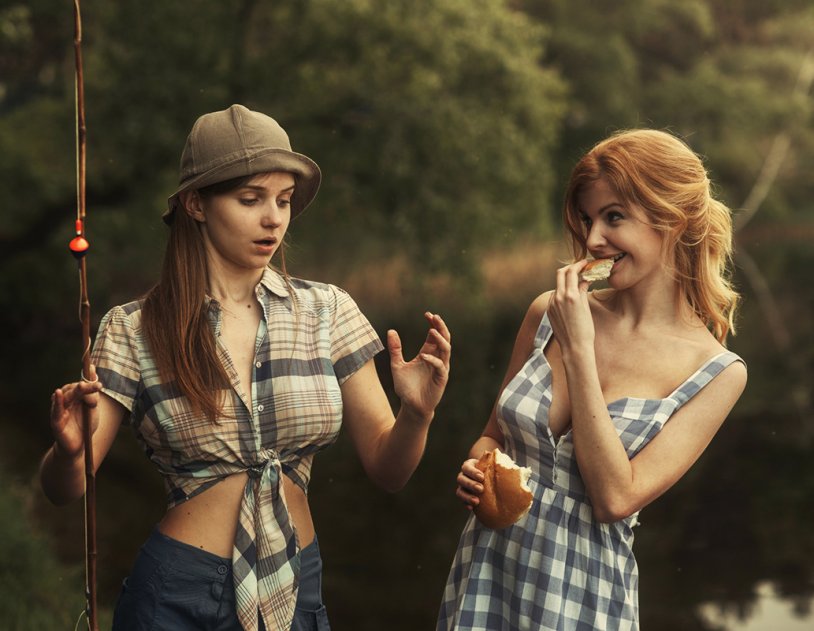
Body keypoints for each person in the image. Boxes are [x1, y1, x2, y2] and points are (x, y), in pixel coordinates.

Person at [40, 104, 451, 631]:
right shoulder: (133, 327)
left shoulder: (328, 310)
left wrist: (416, 414)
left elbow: (390, 473)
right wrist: (67, 451)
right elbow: (64, 489)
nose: (273, 218)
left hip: (297, 587)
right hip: (178, 594)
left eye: (283, 200)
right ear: (196, 204)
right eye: (250, 198)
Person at [437, 129, 747, 630]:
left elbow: (614, 499)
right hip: (486, 577)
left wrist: (580, 350)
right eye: (587, 218)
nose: (593, 239)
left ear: (673, 218)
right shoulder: (547, 312)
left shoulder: (717, 372)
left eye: (614, 217)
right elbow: (493, 437)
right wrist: (478, 470)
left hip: (581, 599)